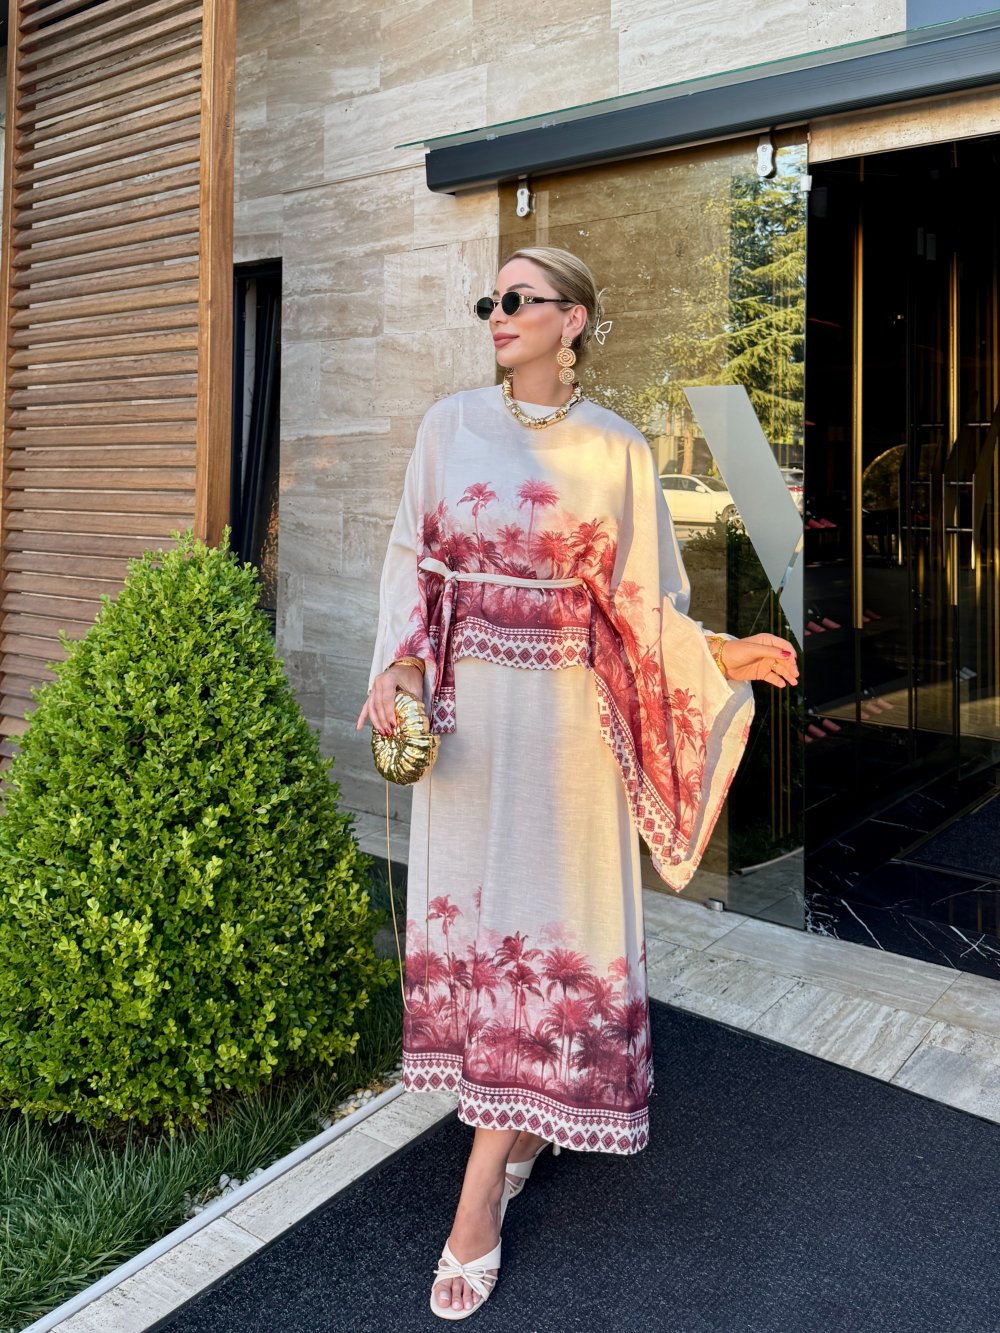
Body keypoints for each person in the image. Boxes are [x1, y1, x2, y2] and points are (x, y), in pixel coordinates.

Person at [356, 246, 799, 1320]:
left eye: (520, 299)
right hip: (465, 723)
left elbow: (643, 606)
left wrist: (718, 654)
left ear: (575, 320)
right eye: (492, 300)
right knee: (482, 928)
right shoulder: (448, 425)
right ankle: (517, 1124)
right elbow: (412, 559)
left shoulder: (617, 448)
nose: (498, 314)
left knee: (547, 924)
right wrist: (398, 666)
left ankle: (477, 1201)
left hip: (566, 729)